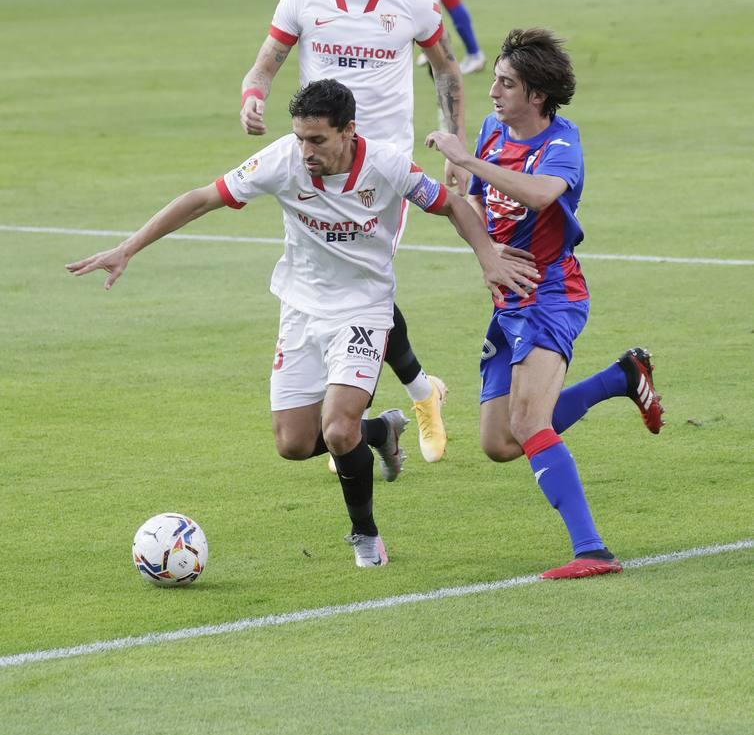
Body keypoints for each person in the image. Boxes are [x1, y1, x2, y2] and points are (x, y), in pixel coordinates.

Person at [66, 79, 540, 568]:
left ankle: (366, 536)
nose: (305, 150)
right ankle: (380, 432)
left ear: (349, 131)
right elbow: (202, 198)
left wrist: (487, 256)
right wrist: (127, 248)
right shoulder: (282, 160)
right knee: (293, 445)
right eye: (299, 138)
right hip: (300, 309)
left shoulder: (386, 165)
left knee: (336, 429)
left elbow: (452, 205)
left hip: (364, 309)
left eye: (317, 140)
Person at [240, 0, 470, 469]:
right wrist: (254, 95)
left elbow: (446, 69)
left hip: (383, 173)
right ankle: (394, 410)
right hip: (315, 164)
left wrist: (455, 147)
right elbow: (265, 63)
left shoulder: (412, 5)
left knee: (366, 282)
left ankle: (413, 397)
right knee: (342, 287)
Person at [427, 28, 665, 579]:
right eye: (494, 81)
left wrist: (469, 159)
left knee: (529, 418)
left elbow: (539, 193)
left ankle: (592, 551)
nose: (494, 92)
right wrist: (459, 191)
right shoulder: (491, 130)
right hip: (509, 301)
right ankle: (622, 378)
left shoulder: (561, 144)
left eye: (507, 84)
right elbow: (472, 203)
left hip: (553, 297)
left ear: (537, 96)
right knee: (500, 442)